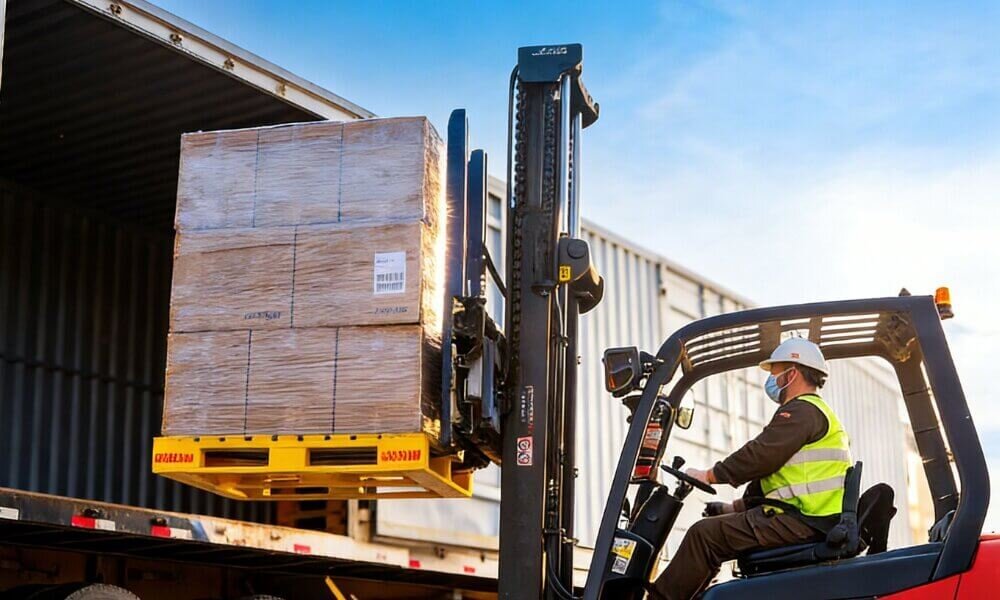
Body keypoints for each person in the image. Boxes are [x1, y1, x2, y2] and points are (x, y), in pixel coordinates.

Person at [650, 337, 852, 600]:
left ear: (792, 373)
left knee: (703, 535)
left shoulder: (802, 411)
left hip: (802, 521)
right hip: (805, 518)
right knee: (711, 530)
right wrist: (731, 508)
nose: (772, 380)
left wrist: (710, 475)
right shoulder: (813, 412)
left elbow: (760, 455)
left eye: (776, 373)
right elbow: (775, 477)